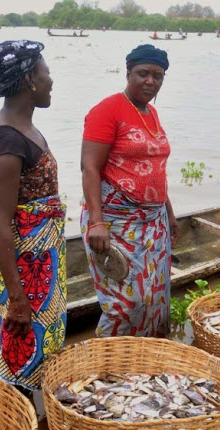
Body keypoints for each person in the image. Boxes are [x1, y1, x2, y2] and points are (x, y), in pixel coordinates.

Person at [0, 40, 66, 393]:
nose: (50, 80)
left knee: (41, 337)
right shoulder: (10, 140)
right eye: (46, 72)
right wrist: (17, 296)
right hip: (24, 261)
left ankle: (32, 405)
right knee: (23, 338)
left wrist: (22, 201)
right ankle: (17, 407)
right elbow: (0, 222)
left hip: (37, 253)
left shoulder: (13, 126)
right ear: (29, 79)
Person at [80, 44, 179, 338]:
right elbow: (89, 169)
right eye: (143, 73)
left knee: (155, 296)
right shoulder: (107, 110)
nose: (150, 81)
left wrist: (169, 215)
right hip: (116, 221)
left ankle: (140, 362)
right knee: (126, 302)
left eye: (158, 76)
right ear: (128, 72)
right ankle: (104, 362)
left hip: (154, 222)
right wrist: (97, 222)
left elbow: (155, 170)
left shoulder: (152, 113)